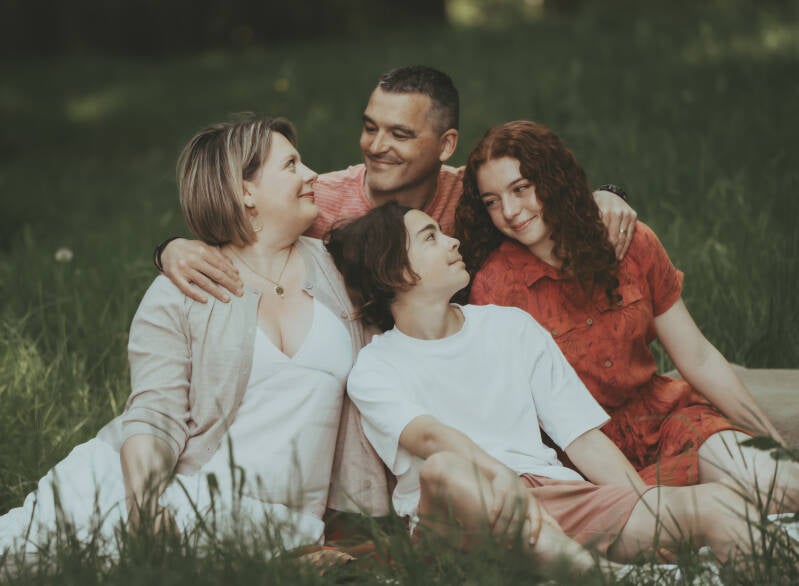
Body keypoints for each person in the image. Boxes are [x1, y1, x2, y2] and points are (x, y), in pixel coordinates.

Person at [0, 116, 388, 559]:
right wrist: (145, 511)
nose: (311, 174)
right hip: (148, 492)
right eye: (292, 164)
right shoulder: (180, 289)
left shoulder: (343, 268)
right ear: (245, 191)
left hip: (276, 523)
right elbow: (154, 411)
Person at [324, 201, 763, 568]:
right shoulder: (376, 367)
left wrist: (646, 505)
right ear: (394, 270)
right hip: (458, 518)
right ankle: (595, 574)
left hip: (556, 496)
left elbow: (584, 439)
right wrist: (509, 489)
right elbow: (433, 437)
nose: (452, 241)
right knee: (445, 468)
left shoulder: (510, 327)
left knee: (722, 506)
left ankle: (575, 566)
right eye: (430, 237)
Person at [456, 120, 799, 512]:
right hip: (586, 457)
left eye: (520, 189)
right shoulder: (495, 288)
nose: (511, 212)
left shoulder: (630, 241)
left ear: (552, 179)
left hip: (668, 422)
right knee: (703, 518)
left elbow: (698, 357)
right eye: (492, 202)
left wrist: (773, 441)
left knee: (781, 483)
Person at [156, 66, 637, 304]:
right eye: (370, 127)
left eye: (401, 134)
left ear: (445, 144)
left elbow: (547, 197)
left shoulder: (475, 192)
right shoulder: (318, 199)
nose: (376, 146)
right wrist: (169, 248)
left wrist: (608, 194)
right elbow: (238, 228)